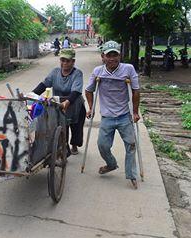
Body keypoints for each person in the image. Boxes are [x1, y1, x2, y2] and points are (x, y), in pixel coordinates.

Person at [85, 40, 140, 189]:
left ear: (119, 55)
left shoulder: (128, 69)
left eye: (115, 55)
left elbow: (135, 91)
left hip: (124, 115)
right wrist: (91, 108)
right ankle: (111, 164)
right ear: (103, 56)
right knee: (102, 145)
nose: (112, 58)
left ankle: (131, 175)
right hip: (107, 116)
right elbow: (89, 90)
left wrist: (135, 112)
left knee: (131, 144)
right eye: (109, 55)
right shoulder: (98, 71)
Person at [32, 48, 86, 156]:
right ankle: (63, 147)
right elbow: (44, 84)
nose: (65, 63)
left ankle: (74, 144)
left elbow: (75, 91)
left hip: (74, 103)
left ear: (73, 62)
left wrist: (67, 101)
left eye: (68, 61)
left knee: (76, 127)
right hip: (59, 104)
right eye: (63, 60)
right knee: (60, 126)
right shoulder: (55, 72)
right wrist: (32, 95)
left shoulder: (77, 74)